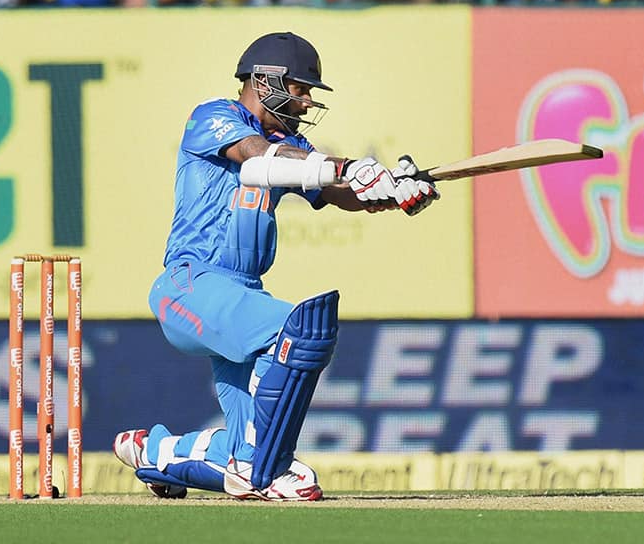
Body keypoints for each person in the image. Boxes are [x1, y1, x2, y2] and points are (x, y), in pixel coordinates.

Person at [112, 32, 440, 501]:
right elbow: (257, 158)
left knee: (245, 457)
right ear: (265, 81)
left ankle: (159, 453)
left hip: (240, 294)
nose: (306, 102)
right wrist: (346, 167)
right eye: (301, 89)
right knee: (298, 329)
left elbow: (337, 195)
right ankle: (264, 464)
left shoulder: (290, 143)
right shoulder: (215, 118)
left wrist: (392, 191)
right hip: (190, 284)